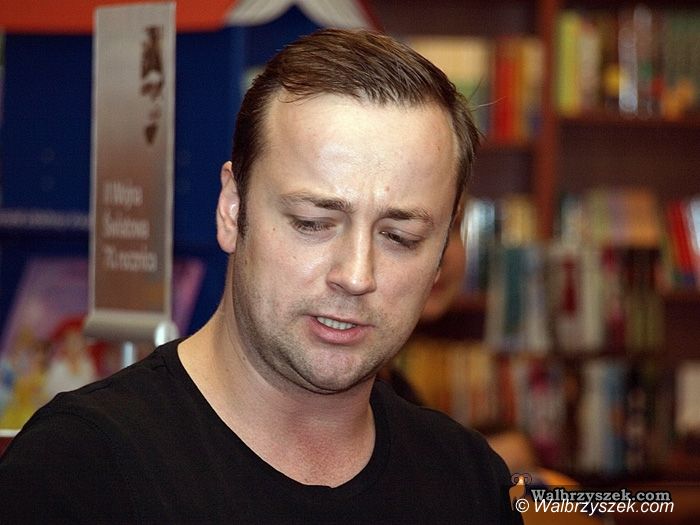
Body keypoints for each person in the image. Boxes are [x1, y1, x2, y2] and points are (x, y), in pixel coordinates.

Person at [0, 29, 521, 524]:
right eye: (312, 223)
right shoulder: (79, 473)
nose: (356, 275)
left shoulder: (469, 480)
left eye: (400, 237)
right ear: (232, 209)